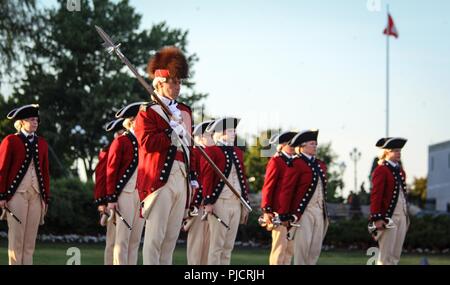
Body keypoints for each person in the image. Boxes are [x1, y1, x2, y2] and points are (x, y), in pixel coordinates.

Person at [135, 46, 198, 265]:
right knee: (155, 239)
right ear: (159, 83)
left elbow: (192, 149)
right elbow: (147, 143)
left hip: (182, 178)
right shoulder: (148, 111)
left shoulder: (186, 111)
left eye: (179, 82)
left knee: (171, 240)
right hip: (160, 179)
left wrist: (194, 177)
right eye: (173, 81)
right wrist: (170, 133)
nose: (177, 86)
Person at [0, 104, 50, 265]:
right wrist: (2, 196)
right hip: (16, 195)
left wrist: (45, 198)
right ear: (21, 122)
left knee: (30, 242)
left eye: (36, 120)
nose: (35, 122)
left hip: (36, 195)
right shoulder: (11, 140)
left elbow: (45, 172)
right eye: (31, 119)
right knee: (17, 241)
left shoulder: (41, 143)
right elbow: (2, 169)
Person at [201, 117, 250, 265]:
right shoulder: (212, 151)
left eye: (234, 130)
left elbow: (242, 178)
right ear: (221, 133)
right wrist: (208, 201)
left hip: (235, 202)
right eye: (231, 130)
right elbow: (207, 177)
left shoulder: (237, 152)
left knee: (228, 246)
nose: (234, 133)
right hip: (219, 202)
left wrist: (245, 201)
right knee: (217, 246)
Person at [278, 129, 329, 265]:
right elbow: (287, 190)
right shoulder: (296, 163)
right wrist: (284, 214)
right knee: (302, 251)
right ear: (302, 146)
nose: (315, 146)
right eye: (312, 144)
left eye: (316, 144)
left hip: (319, 212)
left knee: (314, 251)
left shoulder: (319, 165)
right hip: (303, 213)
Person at [106, 102, 145, 265]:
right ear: (131, 121)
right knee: (122, 240)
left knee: (135, 241)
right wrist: (111, 198)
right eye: (140, 118)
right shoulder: (121, 142)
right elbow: (111, 171)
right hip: (124, 194)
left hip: (142, 195)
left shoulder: (146, 142)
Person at [370, 137, 409, 265]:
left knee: (395, 256)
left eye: (400, 151)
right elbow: (376, 195)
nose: (399, 153)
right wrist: (377, 218)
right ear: (386, 152)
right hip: (388, 217)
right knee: (385, 257)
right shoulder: (381, 170)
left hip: (402, 216)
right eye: (395, 150)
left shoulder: (400, 171)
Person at [260, 131, 297, 265]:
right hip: (278, 211)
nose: (293, 146)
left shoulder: (296, 162)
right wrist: (266, 209)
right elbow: (268, 187)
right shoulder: (276, 161)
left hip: (292, 212)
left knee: (289, 250)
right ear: (282, 145)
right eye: (290, 143)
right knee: (279, 249)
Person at [93, 117, 125, 265]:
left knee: (123, 242)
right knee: (113, 242)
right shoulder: (109, 149)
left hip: (125, 199)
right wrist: (102, 203)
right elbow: (101, 177)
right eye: (122, 131)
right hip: (111, 201)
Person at [184, 119, 215, 265]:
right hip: (198, 204)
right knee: (196, 246)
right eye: (210, 135)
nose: (213, 138)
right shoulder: (195, 152)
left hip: (211, 204)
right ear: (201, 137)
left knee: (208, 246)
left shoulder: (212, 154)